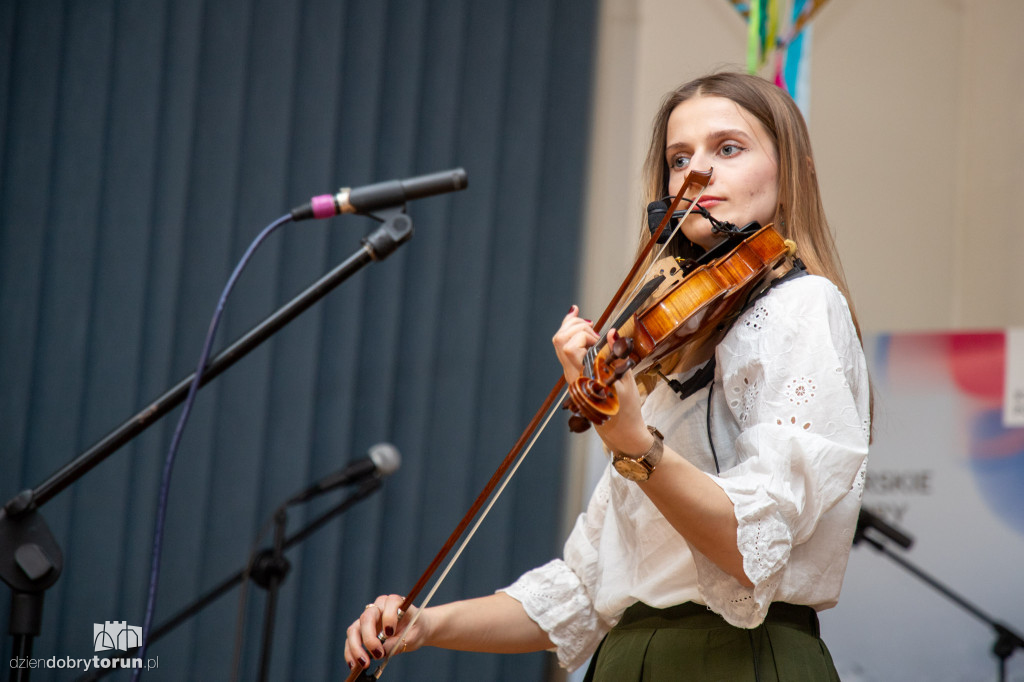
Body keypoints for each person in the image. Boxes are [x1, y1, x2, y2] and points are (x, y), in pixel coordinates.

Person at [344, 70, 871, 681]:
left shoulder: (800, 306)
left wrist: (632, 445)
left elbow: (749, 547)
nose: (696, 173)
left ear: (792, 168)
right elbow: (585, 588)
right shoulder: (673, 348)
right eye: (680, 158)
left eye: (728, 148)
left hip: (732, 662)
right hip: (628, 658)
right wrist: (427, 625)